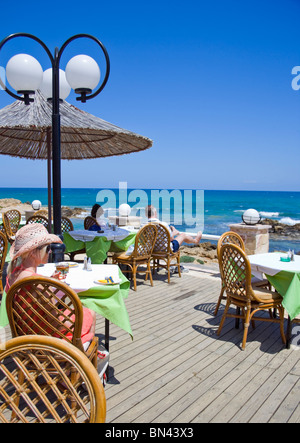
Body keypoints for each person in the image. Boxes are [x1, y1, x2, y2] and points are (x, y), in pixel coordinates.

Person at [5, 223, 96, 348]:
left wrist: (50, 280)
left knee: (77, 313)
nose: (51, 251)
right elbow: (57, 324)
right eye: (47, 248)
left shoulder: (13, 275)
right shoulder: (39, 284)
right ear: (32, 252)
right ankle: (81, 358)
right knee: (89, 313)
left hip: (26, 336)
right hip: (47, 340)